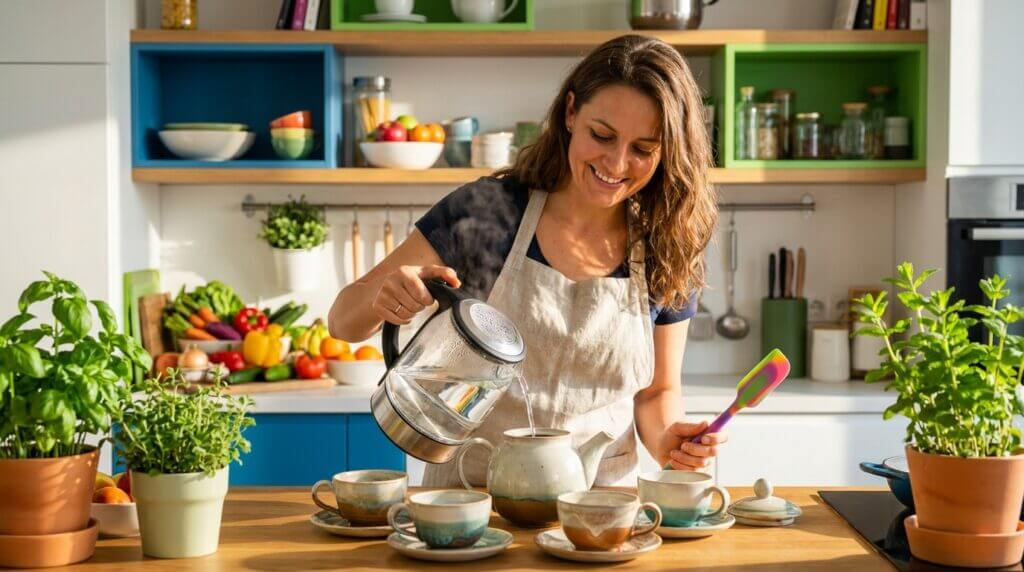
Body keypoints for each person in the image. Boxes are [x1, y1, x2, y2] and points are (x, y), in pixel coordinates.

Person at [329, 34, 724, 487]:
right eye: (603, 135)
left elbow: (657, 392)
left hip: (598, 519)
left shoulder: (665, 241)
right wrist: (386, 297)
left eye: (643, 148)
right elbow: (342, 322)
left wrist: (670, 440)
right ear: (571, 113)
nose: (617, 163)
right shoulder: (486, 213)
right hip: (473, 511)